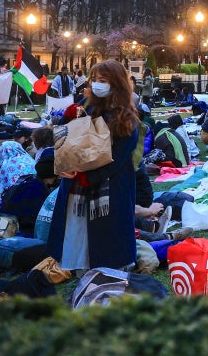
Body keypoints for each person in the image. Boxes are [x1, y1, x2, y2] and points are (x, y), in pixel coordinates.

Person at [48, 60, 141, 271]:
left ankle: (108, 277)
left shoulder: (125, 117)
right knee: (78, 235)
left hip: (108, 189)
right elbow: (67, 137)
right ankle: (85, 276)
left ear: (116, 83)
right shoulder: (86, 105)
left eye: (103, 80)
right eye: (95, 80)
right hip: (76, 188)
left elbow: (119, 159)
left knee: (107, 243)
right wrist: (66, 117)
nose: (97, 85)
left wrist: (87, 176)